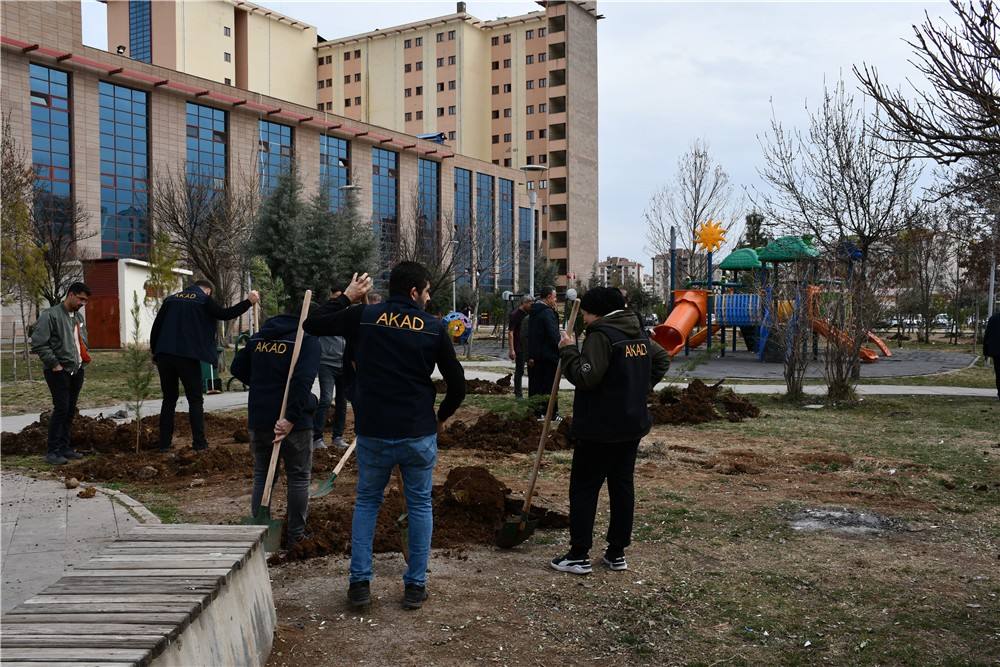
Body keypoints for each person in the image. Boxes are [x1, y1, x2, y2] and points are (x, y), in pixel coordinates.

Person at [303, 262, 465, 611]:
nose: (428, 296)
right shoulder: (433, 327)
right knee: (420, 504)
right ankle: (415, 586)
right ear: (414, 292)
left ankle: (360, 583)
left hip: (373, 431)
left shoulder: (362, 316)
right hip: (417, 430)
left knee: (367, 502)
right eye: (426, 291)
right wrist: (441, 417)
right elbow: (458, 384)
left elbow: (312, 323)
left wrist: (346, 297)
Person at [551, 287, 670, 575]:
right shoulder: (638, 333)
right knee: (621, 486)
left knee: (584, 488)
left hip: (599, 428)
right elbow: (662, 359)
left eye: (588, 314)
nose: (586, 320)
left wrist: (568, 350)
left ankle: (579, 554)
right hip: (631, 425)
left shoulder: (601, 335)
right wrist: (638, 390)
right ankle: (616, 552)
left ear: (596, 312)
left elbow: (586, 376)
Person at [230, 308, 320, 547]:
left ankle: (260, 533)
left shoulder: (259, 337)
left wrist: (263, 384)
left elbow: (236, 368)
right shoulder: (306, 340)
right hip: (295, 424)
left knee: (262, 474)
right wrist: (291, 418)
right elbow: (302, 382)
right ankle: (295, 536)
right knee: (299, 477)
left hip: (260, 417)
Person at [150, 280, 258, 452]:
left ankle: (164, 443)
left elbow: (156, 327)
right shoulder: (203, 299)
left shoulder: (170, 299)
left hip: (164, 355)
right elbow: (224, 314)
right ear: (208, 290)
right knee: (195, 399)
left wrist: (155, 351)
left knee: (169, 399)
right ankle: (199, 443)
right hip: (187, 356)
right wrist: (248, 302)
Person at [31, 282, 92, 466]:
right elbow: (39, 343)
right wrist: (55, 364)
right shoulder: (50, 315)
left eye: (86, 300)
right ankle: (53, 451)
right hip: (58, 371)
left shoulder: (78, 317)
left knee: (70, 410)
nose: (83, 303)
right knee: (61, 409)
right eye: (81, 299)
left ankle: (65, 447)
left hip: (76, 370)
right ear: (71, 295)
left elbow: (80, 340)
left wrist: (82, 359)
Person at [313, 286, 349, 450]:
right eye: (335, 298)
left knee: (342, 401)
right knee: (326, 399)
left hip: (344, 365)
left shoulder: (349, 315)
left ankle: (338, 437)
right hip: (326, 363)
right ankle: (317, 437)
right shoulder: (324, 315)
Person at [526, 286, 562, 419]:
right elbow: (553, 335)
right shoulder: (547, 313)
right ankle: (551, 413)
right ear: (548, 297)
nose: (556, 299)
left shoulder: (534, 311)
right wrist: (561, 345)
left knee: (537, 385)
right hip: (549, 357)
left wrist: (531, 355)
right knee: (550, 386)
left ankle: (536, 412)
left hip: (537, 356)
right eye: (555, 297)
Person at [507, 295, 533, 399]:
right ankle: (518, 394)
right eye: (530, 304)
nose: (532, 306)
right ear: (524, 303)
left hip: (528, 346)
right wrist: (512, 349)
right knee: (520, 370)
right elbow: (510, 332)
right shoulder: (515, 314)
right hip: (519, 347)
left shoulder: (529, 313)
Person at [985, 311, 1000, 401]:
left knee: (998, 373)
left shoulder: (993, 319)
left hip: (996, 351)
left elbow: (987, 335)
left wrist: (986, 351)